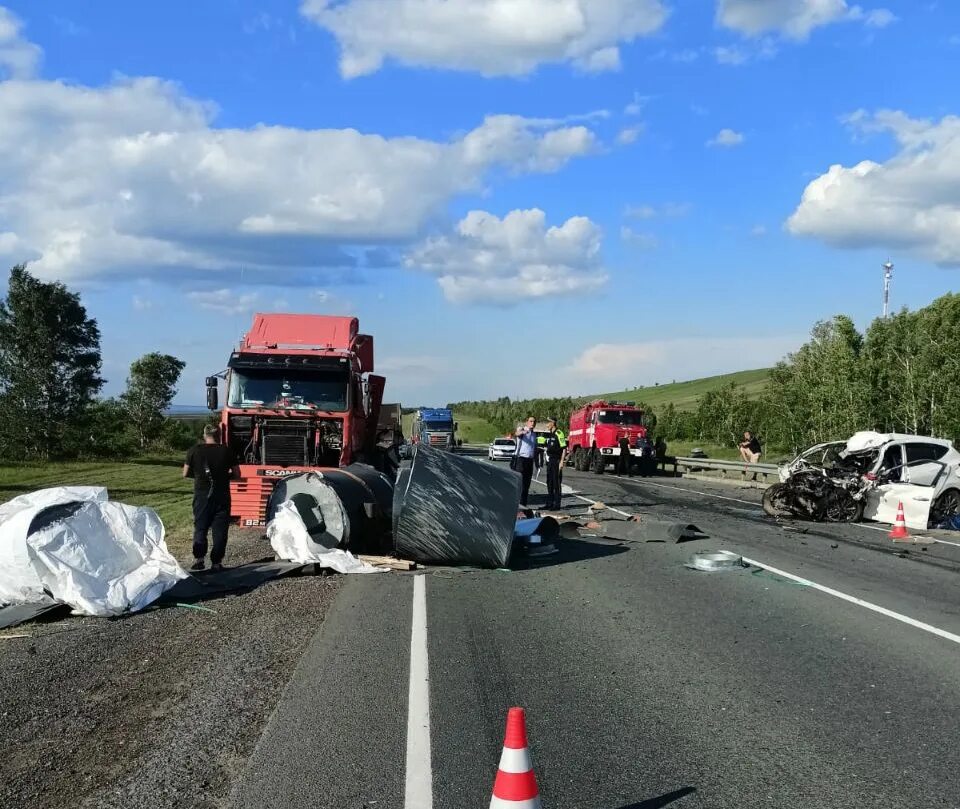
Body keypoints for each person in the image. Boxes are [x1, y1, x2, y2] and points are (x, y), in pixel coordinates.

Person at [183, 425, 239, 572]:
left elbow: (185, 473)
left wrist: (199, 476)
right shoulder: (227, 451)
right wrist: (225, 477)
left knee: (200, 527)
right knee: (220, 530)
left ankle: (199, 559)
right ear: (219, 435)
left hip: (201, 496)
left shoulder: (193, 451)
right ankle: (216, 563)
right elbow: (237, 474)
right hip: (222, 496)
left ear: (204, 435)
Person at [542, 418, 567, 510]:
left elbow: (564, 448)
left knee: (556, 483)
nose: (546, 424)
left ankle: (557, 504)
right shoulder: (550, 434)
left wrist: (561, 461)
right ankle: (549, 503)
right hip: (550, 461)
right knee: (549, 482)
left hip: (556, 460)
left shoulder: (559, 433)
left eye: (548, 422)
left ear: (553, 423)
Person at [513, 416, 538, 506]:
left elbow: (534, 448)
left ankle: (523, 505)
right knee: (520, 484)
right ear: (527, 422)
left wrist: (537, 462)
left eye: (534, 421)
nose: (533, 423)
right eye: (531, 421)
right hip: (521, 460)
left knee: (526, 485)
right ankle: (516, 504)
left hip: (529, 461)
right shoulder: (522, 429)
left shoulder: (534, 434)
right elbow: (517, 433)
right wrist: (524, 431)